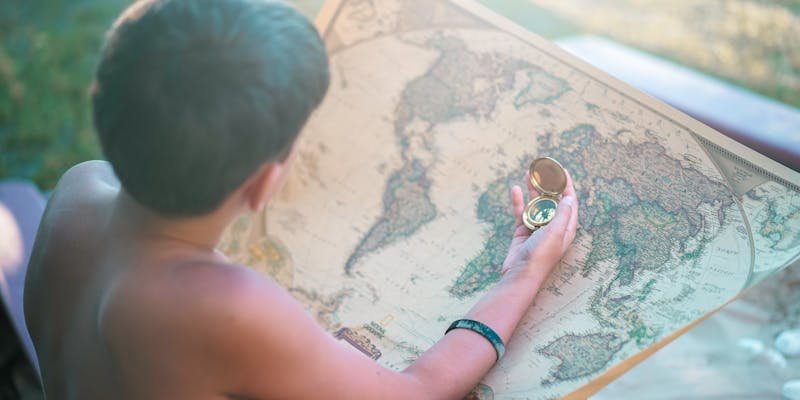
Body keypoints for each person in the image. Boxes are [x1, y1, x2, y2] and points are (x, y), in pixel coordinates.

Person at [23, 0, 579, 398]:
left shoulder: (78, 191)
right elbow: (419, 393)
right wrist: (521, 274)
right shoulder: (222, 308)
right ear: (264, 182)